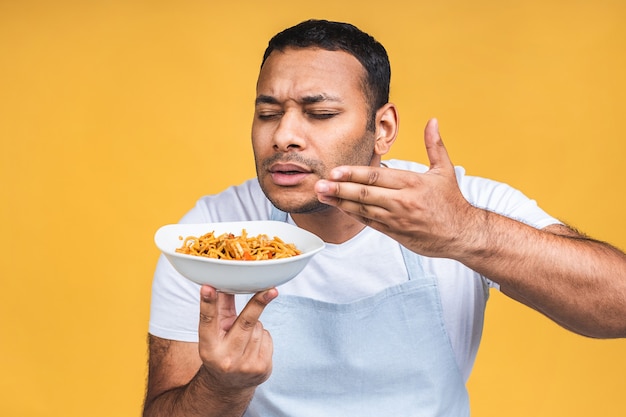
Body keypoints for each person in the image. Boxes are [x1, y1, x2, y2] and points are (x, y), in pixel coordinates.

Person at [143, 19, 626, 417]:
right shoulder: (211, 234)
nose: (284, 136)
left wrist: (468, 234)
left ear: (383, 129)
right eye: (268, 113)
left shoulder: (458, 204)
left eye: (320, 113)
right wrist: (222, 387)